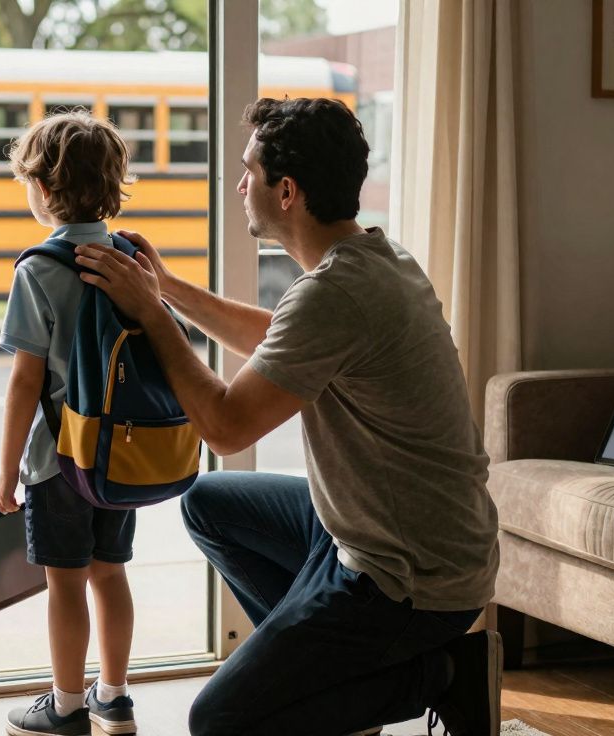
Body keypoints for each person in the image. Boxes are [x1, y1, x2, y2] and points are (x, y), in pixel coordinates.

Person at [72, 97, 503, 736]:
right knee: (208, 504)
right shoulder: (376, 258)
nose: (241, 184)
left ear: (287, 192)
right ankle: (330, 675)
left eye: (249, 171)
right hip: (377, 534)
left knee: (221, 720)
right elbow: (282, 338)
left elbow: (224, 426)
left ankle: (434, 674)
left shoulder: (335, 294)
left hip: (410, 579)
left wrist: (153, 315)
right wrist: (164, 286)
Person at [0, 109, 141, 736]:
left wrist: (6, 472)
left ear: (46, 191)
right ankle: (115, 696)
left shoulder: (39, 269)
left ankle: (67, 705)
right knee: (111, 573)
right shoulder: (132, 256)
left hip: (58, 461)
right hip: (121, 455)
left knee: (65, 583)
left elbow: (27, 381)